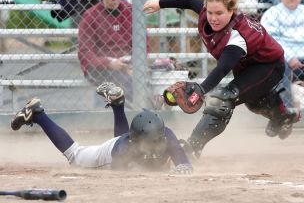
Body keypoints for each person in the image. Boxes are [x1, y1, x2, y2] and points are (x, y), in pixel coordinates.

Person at [143, 0, 301, 158]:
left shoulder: (236, 36)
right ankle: (283, 116)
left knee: (223, 98)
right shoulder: (206, 11)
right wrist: (159, 3)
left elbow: (222, 69)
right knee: (253, 102)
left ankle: (192, 147)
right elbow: (188, 1)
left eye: (219, 13)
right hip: (246, 65)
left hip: (268, 66)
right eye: (210, 12)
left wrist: (201, 90)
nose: (213, 18)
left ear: (231, 11)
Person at [10, 82, 193, 173]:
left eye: (156, 141)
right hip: (107, 153)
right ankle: (38, 114)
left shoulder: (167, 134)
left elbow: (185, 165)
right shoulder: (122, 150)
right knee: (76, 155)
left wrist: (182, 166)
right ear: (134, 140)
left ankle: (117, 104)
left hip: (126, 140)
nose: (155, 145)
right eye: (148, 143)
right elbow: (122, 178)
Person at [261, 0, 304, 108]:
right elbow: (272, 41)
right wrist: (289, 56)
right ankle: (287, 110)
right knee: (278, 66)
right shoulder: (271, 14)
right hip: (286, 58)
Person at [78, 0, 134, 101]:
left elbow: (142, 44)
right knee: (114, 80)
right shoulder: (90, 15)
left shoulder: (131, 11)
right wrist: (109, 63)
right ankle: (106, 116)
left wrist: (135, 64)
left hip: (127, 65)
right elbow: (85, 53)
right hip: (101, 67)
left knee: (132, 78)